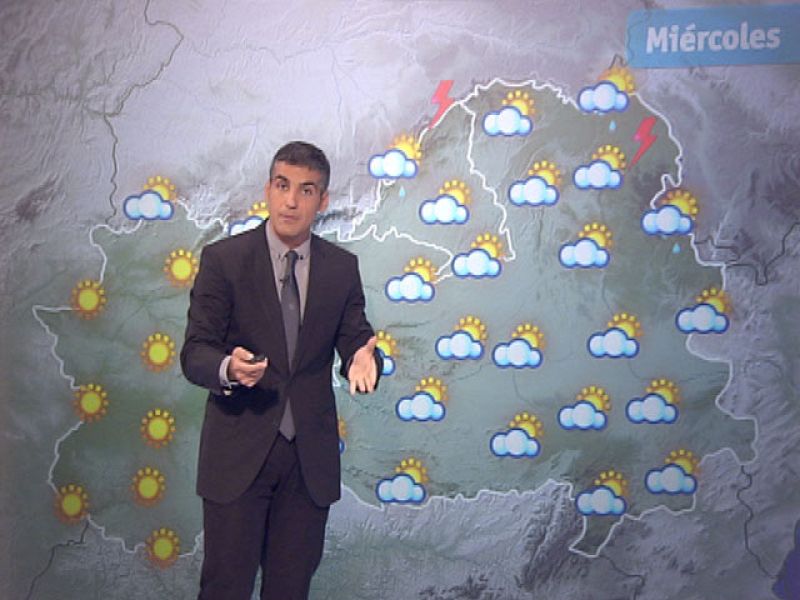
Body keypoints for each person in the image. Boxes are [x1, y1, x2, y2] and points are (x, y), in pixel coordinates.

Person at [180, 141, 381, 599]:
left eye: (306, 190)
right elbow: (195, 351)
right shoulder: (224, 261)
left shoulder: (341, 269)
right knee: (225, 588)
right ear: (268, 190)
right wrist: (228, 368)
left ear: (322, 201)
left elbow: (357, 338)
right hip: (238, 455)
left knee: (290, 590)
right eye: (282, 185)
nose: (291, 201)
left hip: (308, 462)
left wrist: (364, 358)